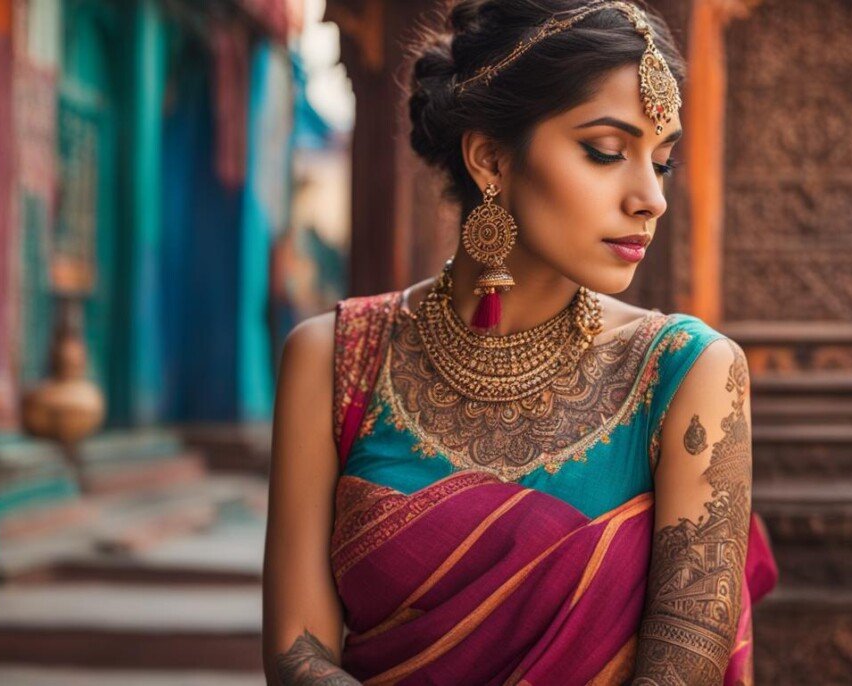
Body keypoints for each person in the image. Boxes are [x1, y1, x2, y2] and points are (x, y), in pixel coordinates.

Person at [262, 2, 776, 684]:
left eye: (663, 163)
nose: (650, 197)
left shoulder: (688, 373)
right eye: (605, 151)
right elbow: (298, 653)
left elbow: (685, 667)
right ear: (490, 158)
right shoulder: (335, 359)